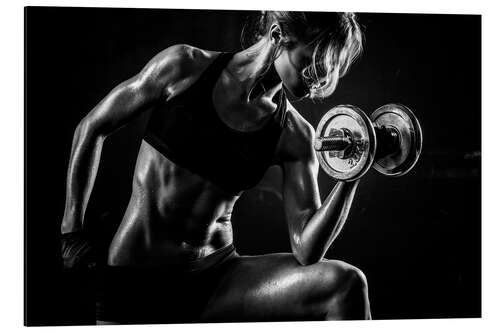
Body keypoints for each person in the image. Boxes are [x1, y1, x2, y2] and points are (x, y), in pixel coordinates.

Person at [60, 11, 370, 324]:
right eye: (316, 58)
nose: (322, 75)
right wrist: (71, 231)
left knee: (345, 284)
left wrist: (352, 172)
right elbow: (92, 127)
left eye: (331, 64)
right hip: (137, 277)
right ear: (278, 35)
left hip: (217, 277)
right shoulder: (184, 66)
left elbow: (307, 249)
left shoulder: (296, 135)